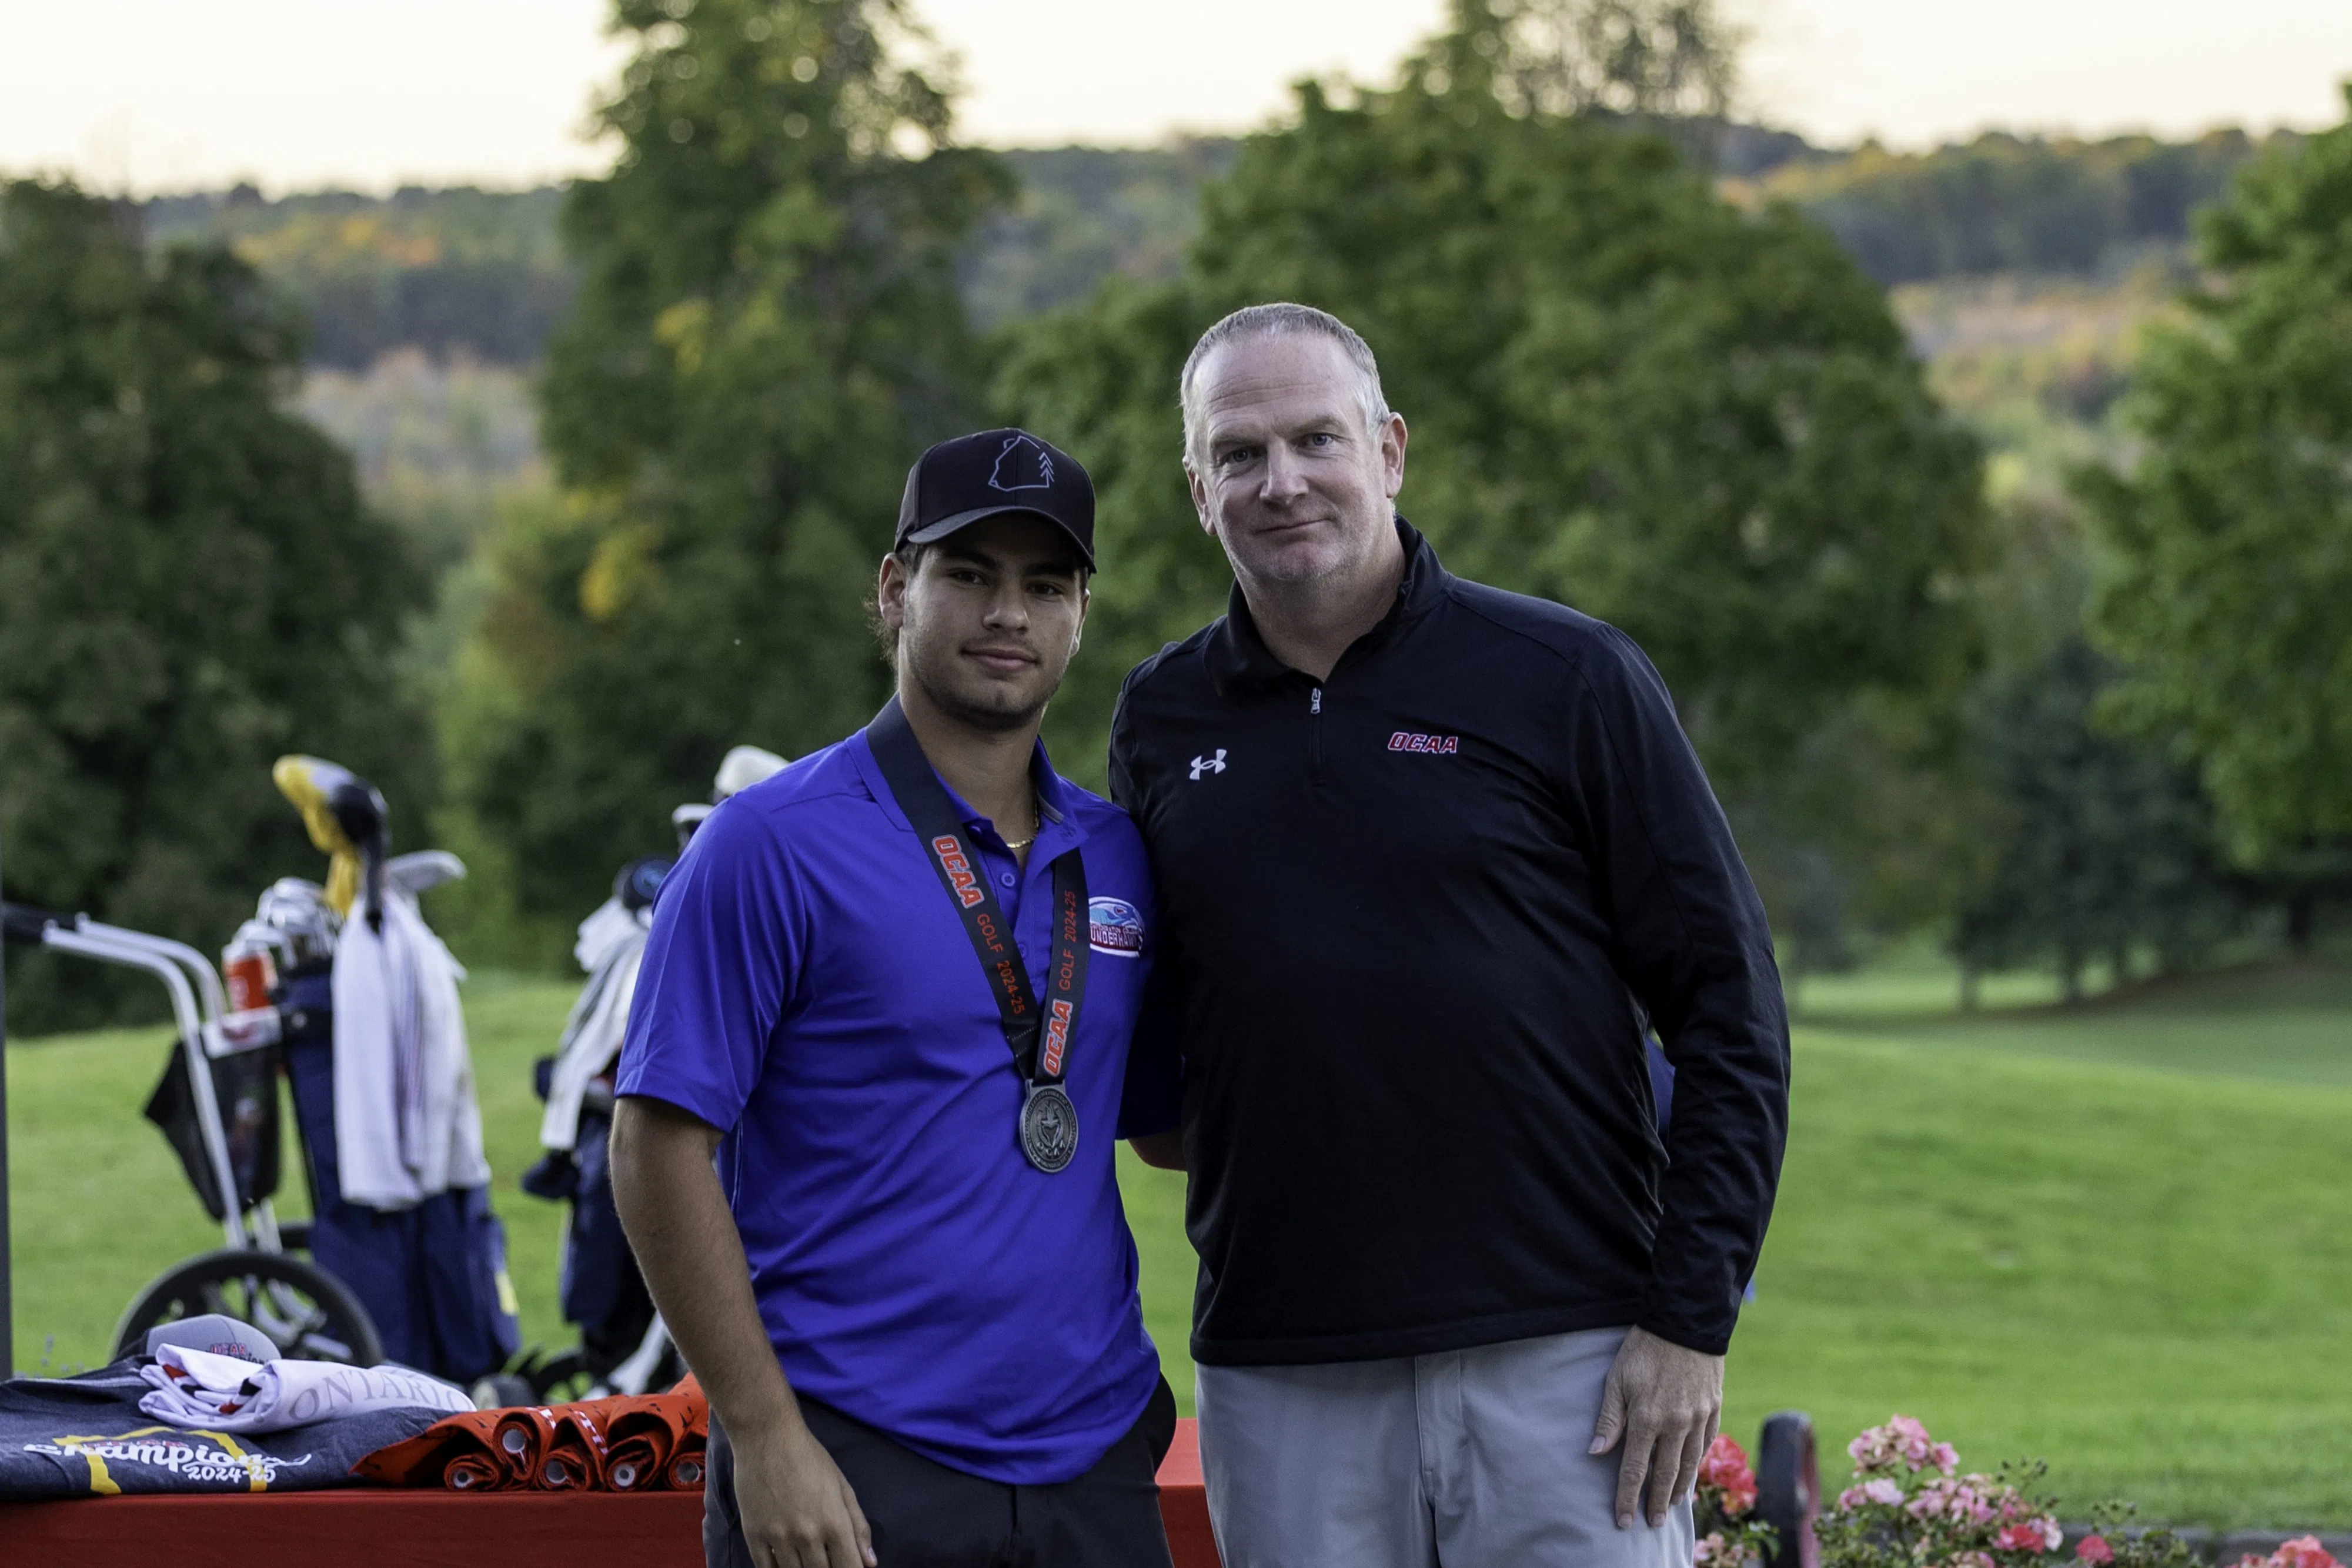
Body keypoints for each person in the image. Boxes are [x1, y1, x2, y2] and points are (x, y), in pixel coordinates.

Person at [1111, 305, 1792, 1568]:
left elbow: (1728, 1010)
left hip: (1569, 1362)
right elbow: (1168, 1048)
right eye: (1240, 453)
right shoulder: (1159, 715)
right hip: (1283, 1367)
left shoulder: (1563, 674)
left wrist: (1687, 1327)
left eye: (1316, 438)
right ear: (1197, 488)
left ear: (1390, 450)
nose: (1282, 481)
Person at [609, 429, 1180, 1568]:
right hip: (853, 1456)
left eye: (1043, 584)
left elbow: (1169, 1133)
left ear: (1079, 612)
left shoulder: (1117, 853)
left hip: (1094, 1454)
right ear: (893, 587)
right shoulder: (770, 840)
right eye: (968, 574)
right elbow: (655, 1144)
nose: (1006, 613)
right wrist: (764, 1433)